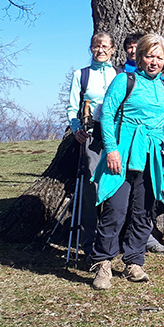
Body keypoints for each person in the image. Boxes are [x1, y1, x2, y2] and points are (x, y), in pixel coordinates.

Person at [88, 34, 164, 290]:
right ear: (140, 57)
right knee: (115, 210)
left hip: (152, 156)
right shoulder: (124, 81)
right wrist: (111, 150)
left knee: (144, 212)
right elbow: (107, 114)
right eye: (149, 56)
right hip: (123, 154)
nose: (154, 62)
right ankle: (103, 263)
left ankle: (134, 262)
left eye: (159, 57)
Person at [66, 32, 120, 256]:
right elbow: (72, 107)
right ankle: (88, 243)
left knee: (115, 186)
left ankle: (111, 241)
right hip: (91, 136)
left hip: (116, 136)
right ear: (91, 48)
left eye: (105, 46)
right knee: (91, 189)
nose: (101, 50)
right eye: (97, 46)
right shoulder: (82, 75)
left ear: (113, 50)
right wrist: (76, 128)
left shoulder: (119, 75)